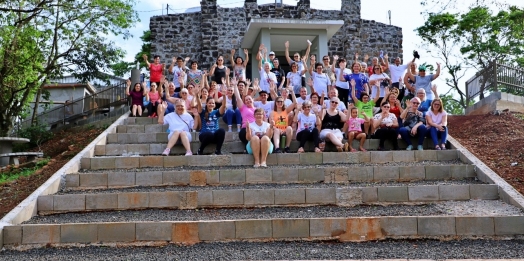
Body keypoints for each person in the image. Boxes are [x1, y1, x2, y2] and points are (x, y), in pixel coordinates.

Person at [234, 81, 257, 145]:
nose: (248, 100)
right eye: (246, 100)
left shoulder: (257, 109)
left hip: (256, 129)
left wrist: (255, 90)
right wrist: (235, 86)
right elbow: (238, 98)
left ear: (253, 100)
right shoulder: (243, 108)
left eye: (249, 99)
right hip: (245, 129)